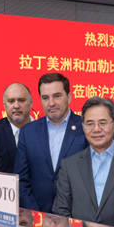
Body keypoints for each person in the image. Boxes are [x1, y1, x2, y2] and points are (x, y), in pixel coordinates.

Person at [53, 97, 114, 227]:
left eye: (103, 123)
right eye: (90, 124)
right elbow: (61, 209)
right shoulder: (69, 165)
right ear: (83, 127)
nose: (96, 129)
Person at [15, 73, 87, 213]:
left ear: (69, 97)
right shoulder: (27, 132)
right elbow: (21, 180)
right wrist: (36, 215)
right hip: (37, 216)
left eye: (57, 96)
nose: (51, 103)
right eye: (45, 98)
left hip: (76, 217)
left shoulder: (85, 128)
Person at [0, 82, 33, 173]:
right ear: (4, 105)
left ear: (31, 104)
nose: (16, 106)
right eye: (11, 101)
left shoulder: (44, 131)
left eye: (21, 100)